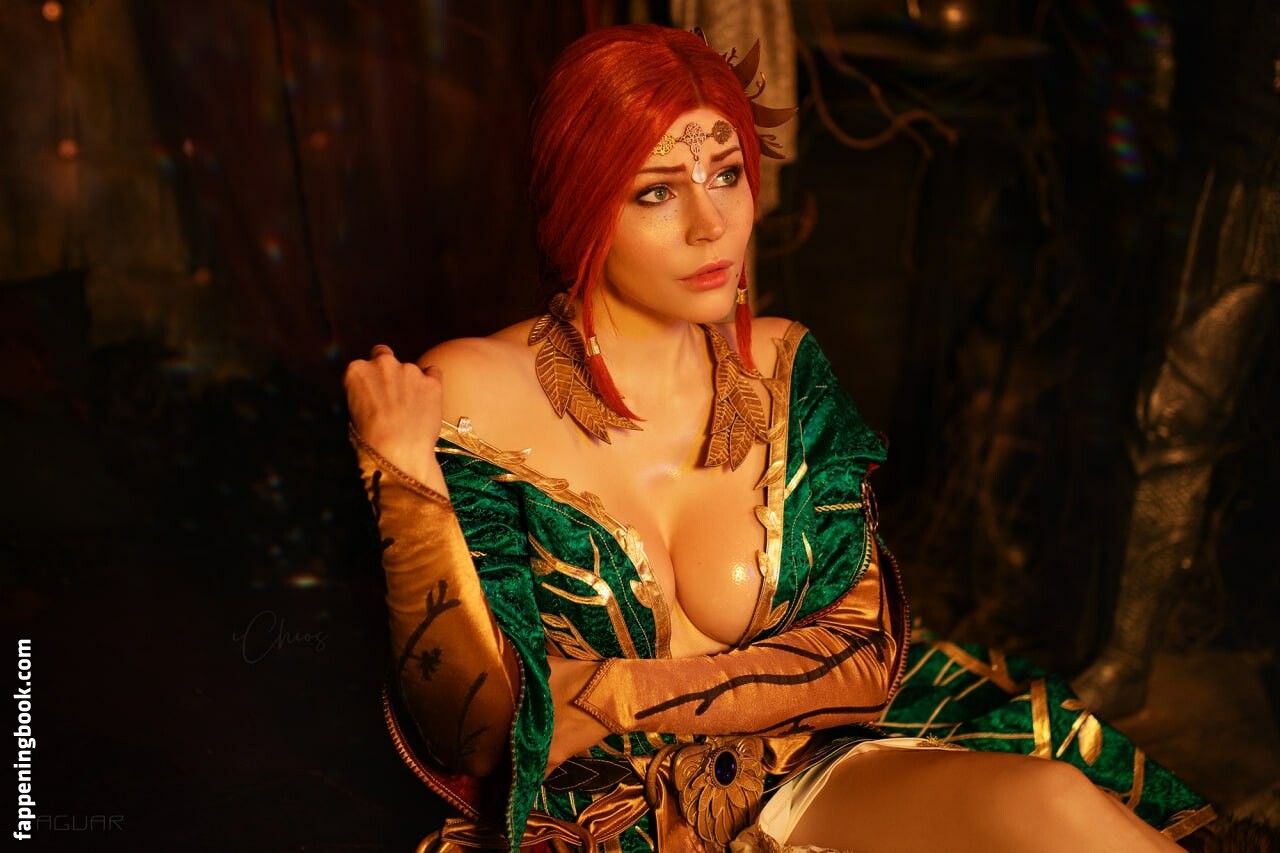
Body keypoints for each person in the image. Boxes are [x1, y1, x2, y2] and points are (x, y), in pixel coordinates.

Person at [344, 24, 1212, 852]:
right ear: (579, 204)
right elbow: (477, 730)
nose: (712, 223)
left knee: (1055, 798)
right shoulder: (471, 391)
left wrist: (611, 692)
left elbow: (862, 654)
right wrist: (402, 477)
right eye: (657, 191)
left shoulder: (784, 364)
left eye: (726, 174)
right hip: (611, 821)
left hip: (811, 770)